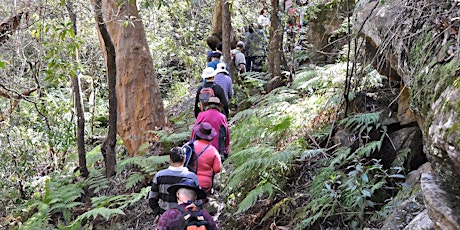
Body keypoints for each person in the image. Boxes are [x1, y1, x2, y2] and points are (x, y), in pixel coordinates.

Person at [148, 147, 200, 218]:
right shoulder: (192, 177)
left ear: (170, 159)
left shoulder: (159, 176)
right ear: (184, 159)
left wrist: (159, 212)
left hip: (165, 217)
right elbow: (199, 202)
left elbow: (152, 200)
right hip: (186, 218)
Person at [189, 122, 222, 197]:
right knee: (201, 205)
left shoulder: (189, 145)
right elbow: (217, 169)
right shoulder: (213, 151)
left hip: (188, 180)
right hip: (204, 184)